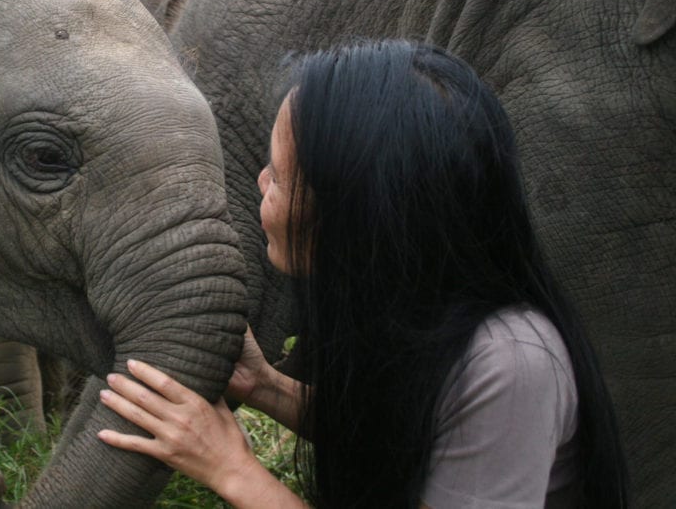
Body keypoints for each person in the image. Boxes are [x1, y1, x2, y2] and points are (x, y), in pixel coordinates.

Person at [96, 40, 628, 508]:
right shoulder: (413, 310)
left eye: (279, 176)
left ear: (352, 212)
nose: (261, 183)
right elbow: (403, 437)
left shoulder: (510, 363)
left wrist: (231, 469)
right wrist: (263, 386)